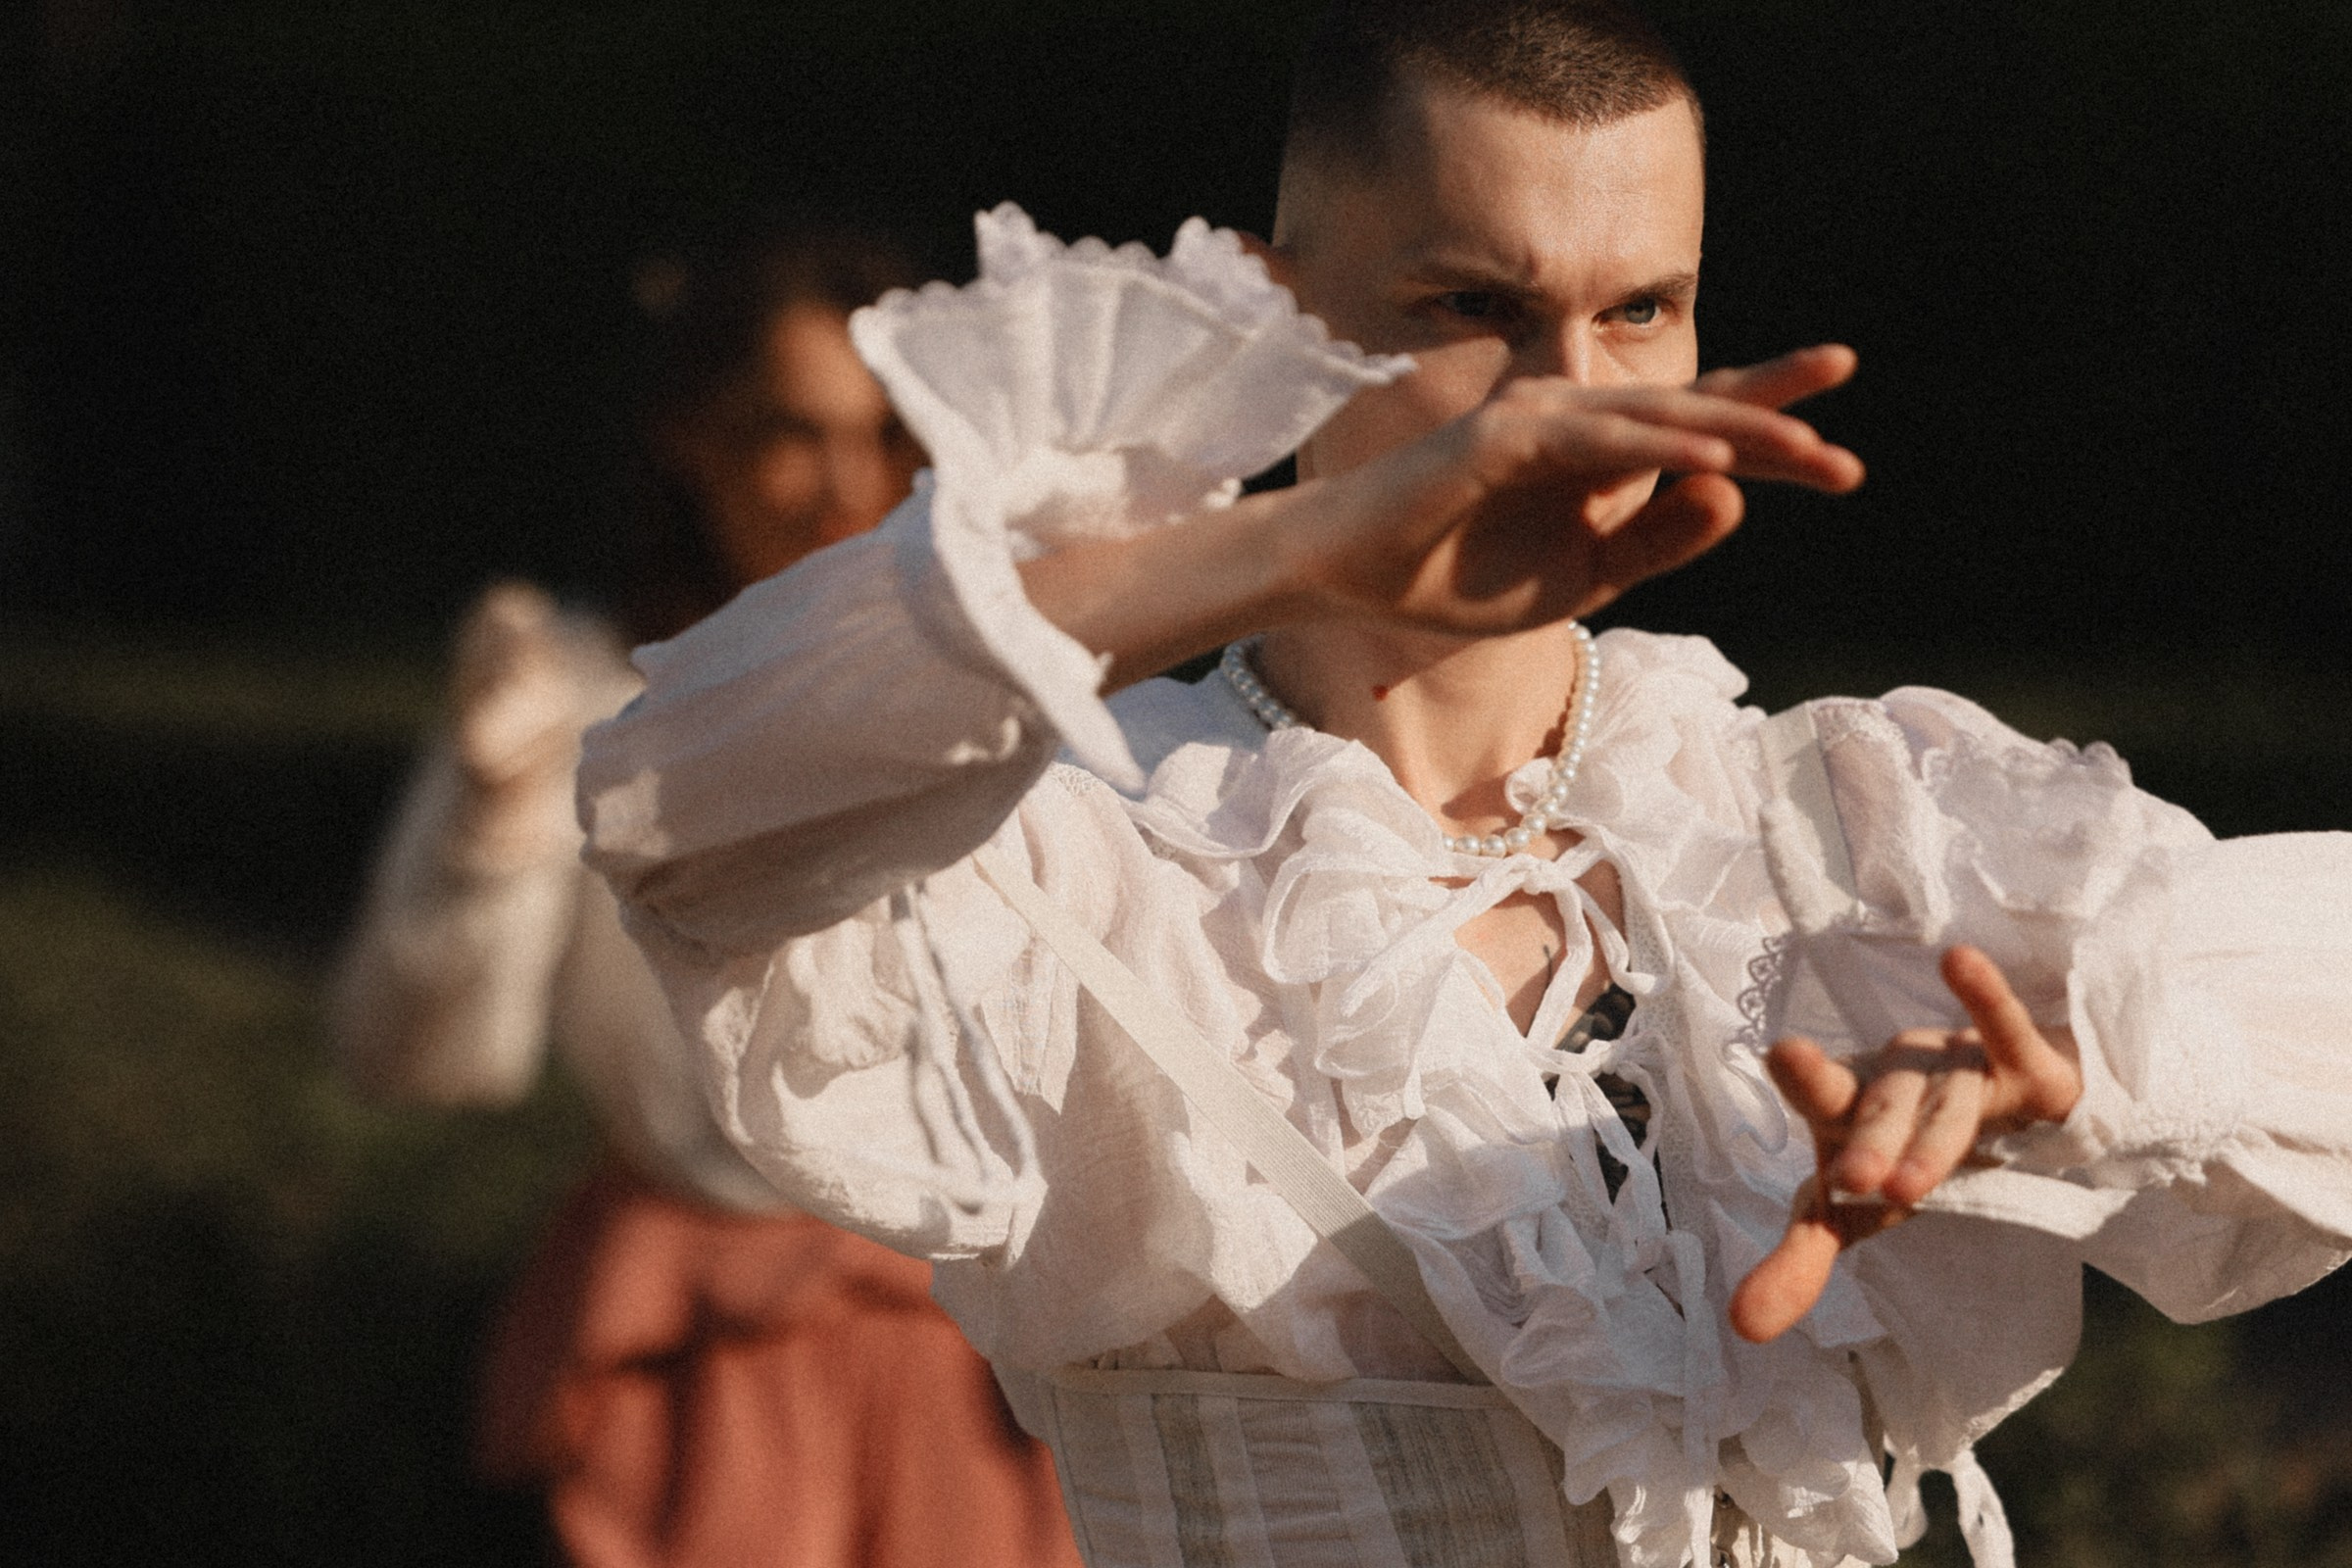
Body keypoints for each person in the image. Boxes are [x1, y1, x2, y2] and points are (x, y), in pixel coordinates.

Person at [575, 6, 2352, 1566]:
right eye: (1476, 309)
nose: (1568, 398)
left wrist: (2092, 1074)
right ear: (1279, 312)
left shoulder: (1843, 835)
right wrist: (1287, 547)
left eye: (1639, 309)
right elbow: (681, 805)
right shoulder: (1087, 867)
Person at [331, 222, 1083, 1568]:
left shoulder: (1011, 696)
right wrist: (487, 830)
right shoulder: (586, 695)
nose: (847, 486)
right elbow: (422, 1061)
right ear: (686, 436)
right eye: (790, 432)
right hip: (707, 1351)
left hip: (975, 1365)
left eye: (890, 436)